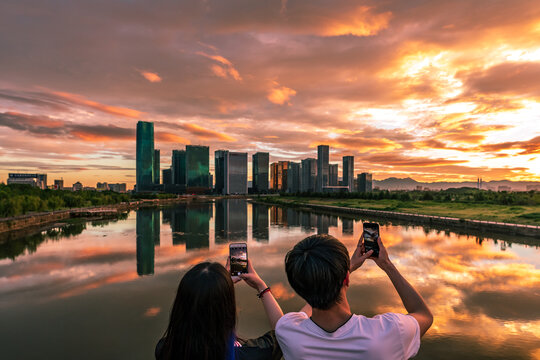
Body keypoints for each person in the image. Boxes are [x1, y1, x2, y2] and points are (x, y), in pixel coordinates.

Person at [276, 233, 433, 360]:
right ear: (347, 279)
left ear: (296, 287)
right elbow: (423, 315)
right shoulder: (389, 333)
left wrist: (346, 270)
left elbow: (311, 300)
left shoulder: (287, 331)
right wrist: (387, 265)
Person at [156, 259, 284, 360]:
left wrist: (222, 284)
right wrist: (261, 286)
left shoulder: (165, 349)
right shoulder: (251, 354)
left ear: (181, 306)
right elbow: (285, 334)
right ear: (227, 309)